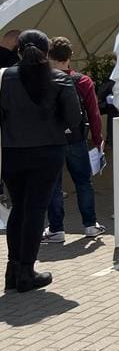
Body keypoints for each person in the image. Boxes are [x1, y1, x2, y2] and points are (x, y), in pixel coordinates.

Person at [0, 31, 82, 292]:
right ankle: (26, 271)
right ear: (47, 51)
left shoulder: (4, 78)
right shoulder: (59, 79)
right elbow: (74, 119)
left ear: (18, 50)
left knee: (19, 208)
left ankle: (13, 269)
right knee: (35, 210)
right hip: (47, 153)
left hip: (11, 151)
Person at [42, 37, 105, 242]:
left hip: (50, 140)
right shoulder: (83, 81)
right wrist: (98, 139)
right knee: (83, 182)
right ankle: (90, 225)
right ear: (70, 56)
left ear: (48, 55)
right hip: (76, 138)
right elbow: (93, 113)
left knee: (53, 184)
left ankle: (56, 228)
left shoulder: (42, 80)